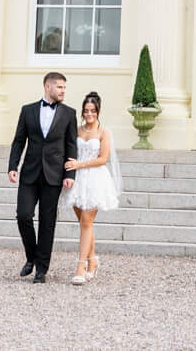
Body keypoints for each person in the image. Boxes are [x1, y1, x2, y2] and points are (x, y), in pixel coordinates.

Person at [7, 70, 77, 283]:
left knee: (47, 223)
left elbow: (71, 145)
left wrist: (70, 173)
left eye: (64, 87)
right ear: (48, 87)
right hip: (30, 173)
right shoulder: (27, 111)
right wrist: (13, 166)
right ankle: (31, 257)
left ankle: (41, 270)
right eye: (60, 87)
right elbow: (19, 140)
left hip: (54, 175)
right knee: (24, 216)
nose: (63, 91)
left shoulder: (69, 113)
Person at [61, 90, 122, 284]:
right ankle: (93, 260)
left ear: (98, 111)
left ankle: (81, 266)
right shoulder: (77, 130)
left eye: (93, 111)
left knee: (86, 222)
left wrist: (79, 164)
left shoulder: (104, 132)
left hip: (95, 179)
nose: (89, 114)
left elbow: (103, 159)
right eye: (86, 111)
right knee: (84, 223)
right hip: (77, 181)